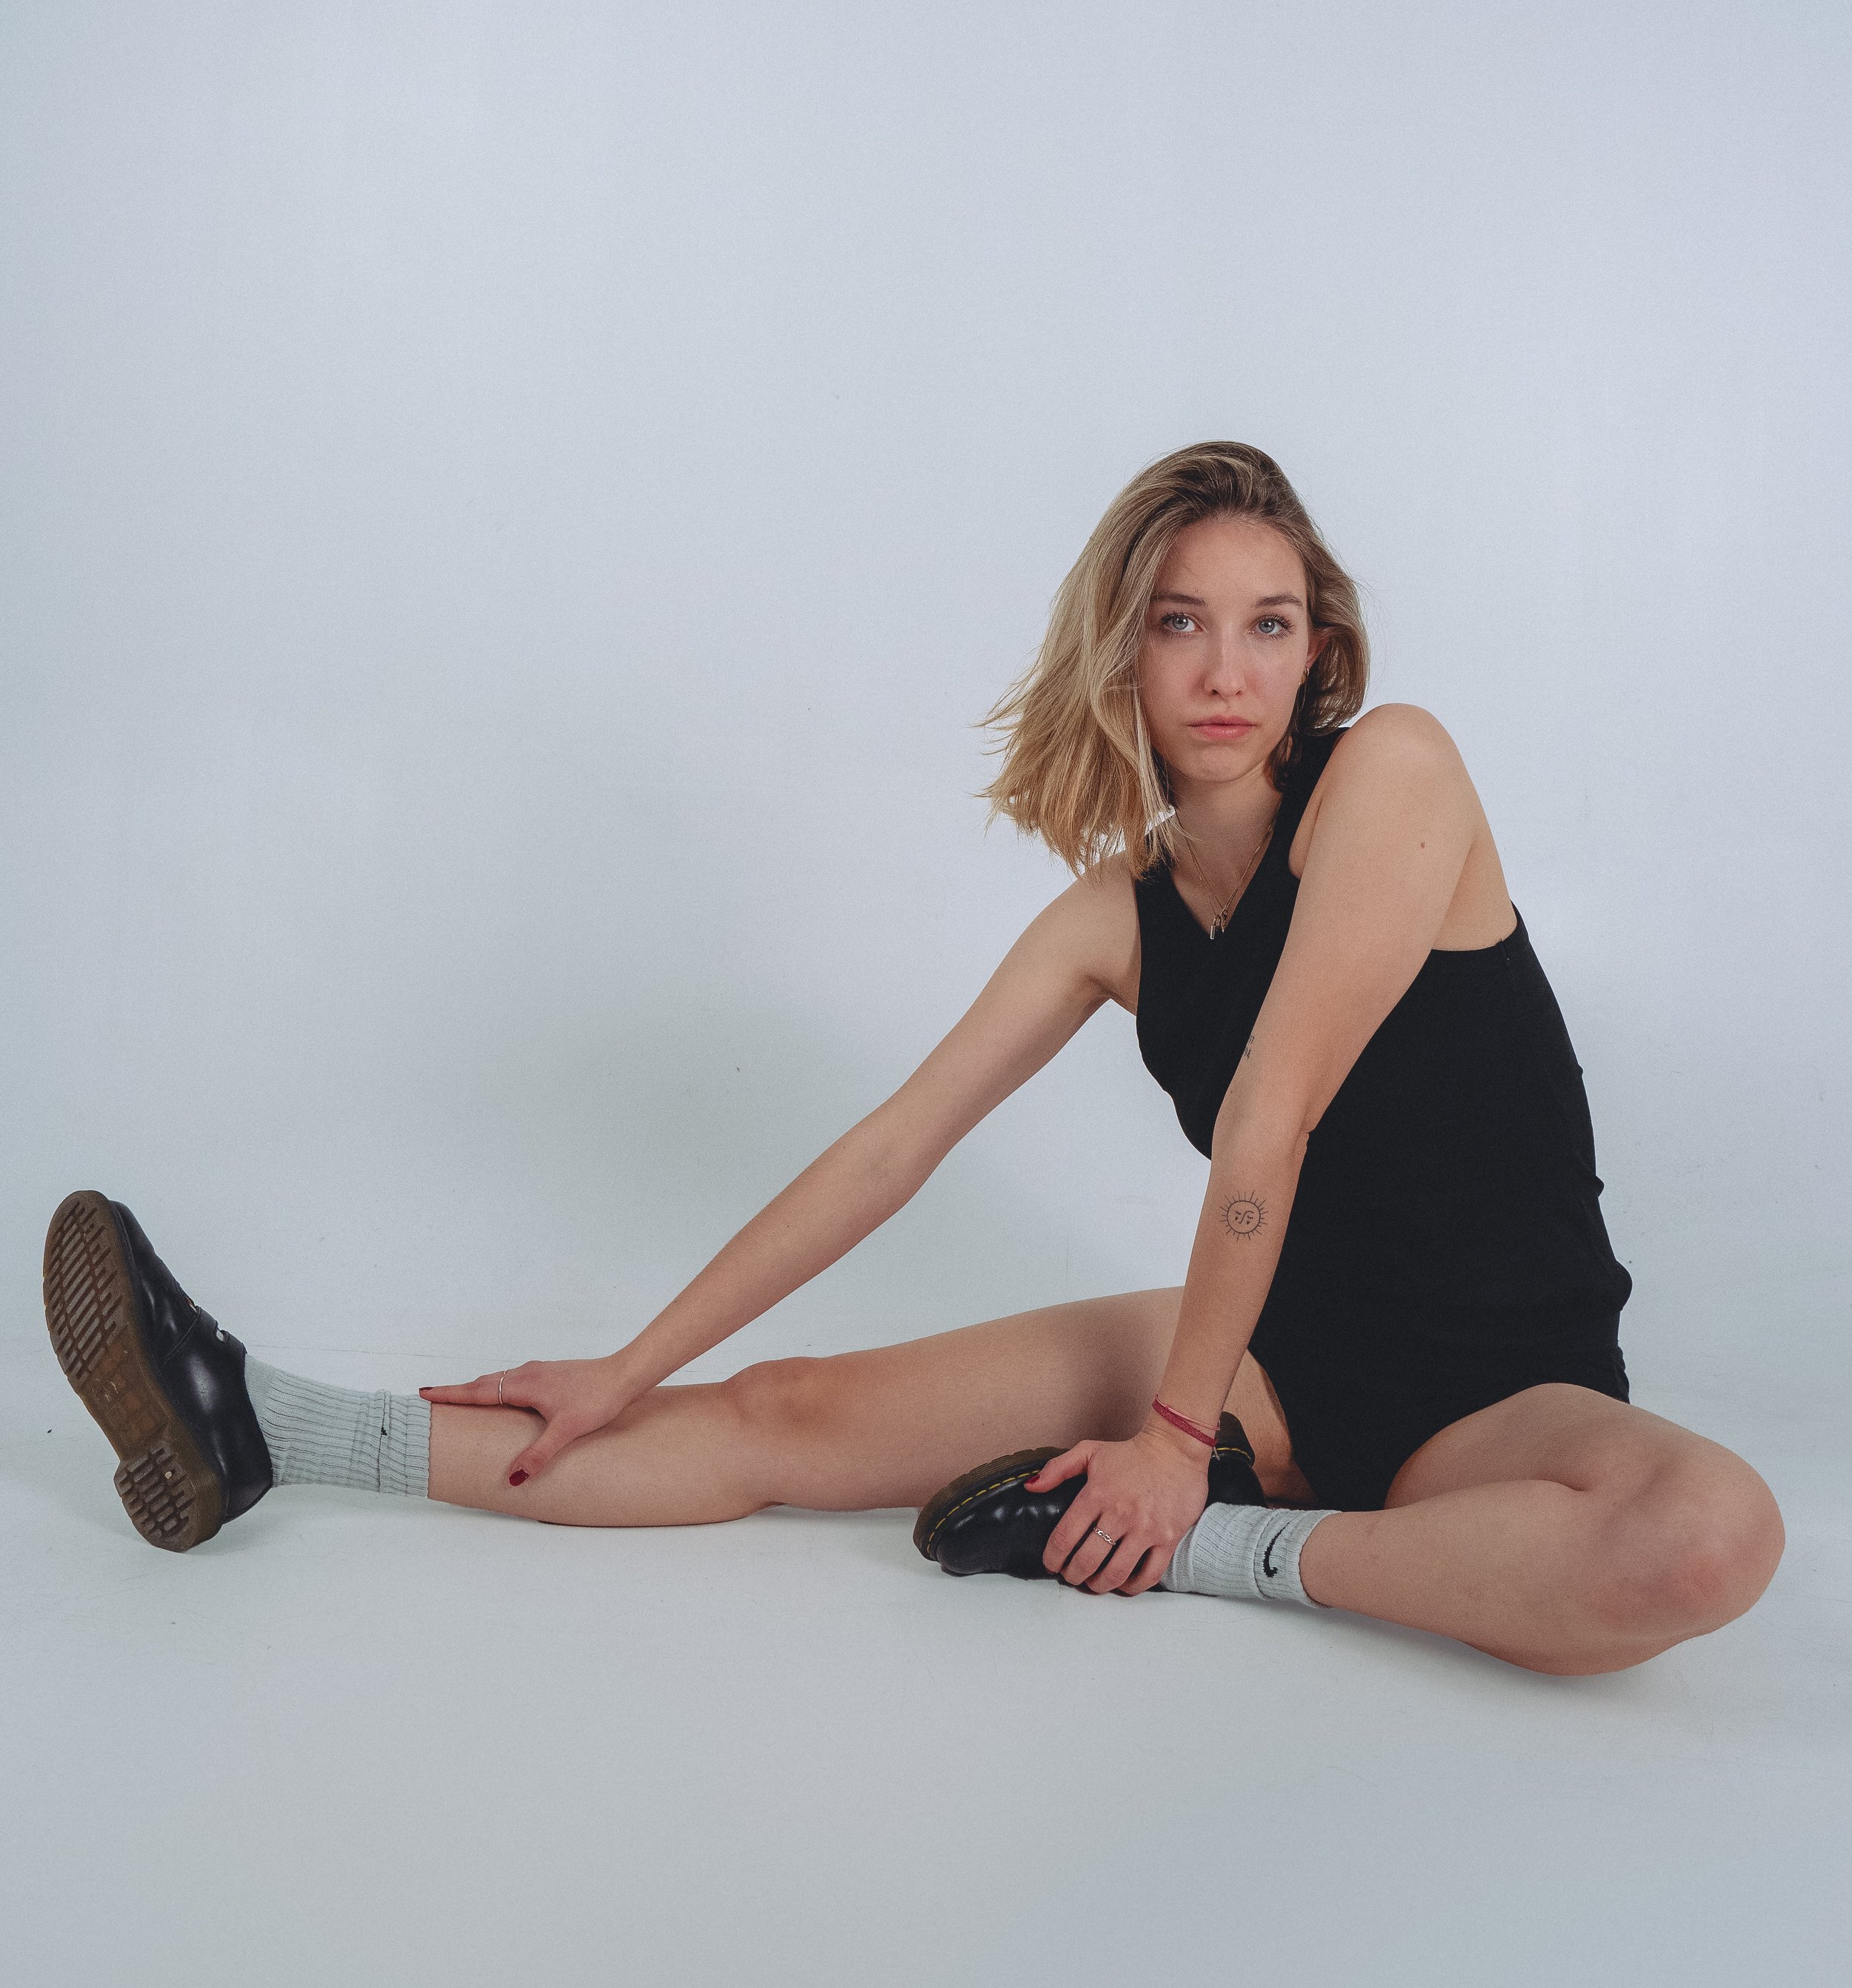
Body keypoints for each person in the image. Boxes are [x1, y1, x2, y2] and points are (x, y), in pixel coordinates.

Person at [42, 441, 1784, 1675]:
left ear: (1317, 647)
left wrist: (1171, 1455)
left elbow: (1270, 1112)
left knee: (1703, 1535)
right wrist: (628, 1357)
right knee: (780, 1415)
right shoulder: (1109, 921)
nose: (1227, 667)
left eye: (1268, 622)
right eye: (1181, 620)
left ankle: (1216, 1550)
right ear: (1126, 647)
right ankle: (268, 1425)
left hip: (1494, 1387)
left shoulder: (1393, 770)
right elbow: (892, 1149)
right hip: (1263, 1352)